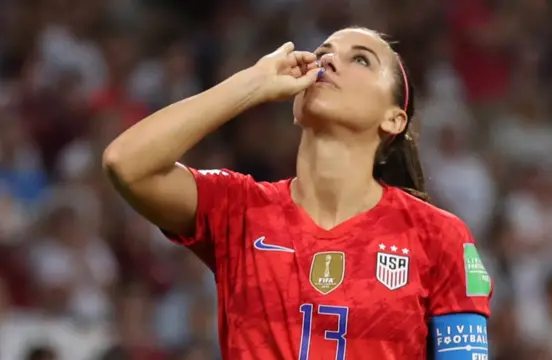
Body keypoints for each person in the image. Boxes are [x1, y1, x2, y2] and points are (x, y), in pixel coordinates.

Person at [104, 27, 492, 360]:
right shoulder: (239, 208)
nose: (329, 62)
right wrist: (249, 85)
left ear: (394, 118)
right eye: (323, 53)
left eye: (360, 60)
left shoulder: (438, 237)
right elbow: (126, 164)